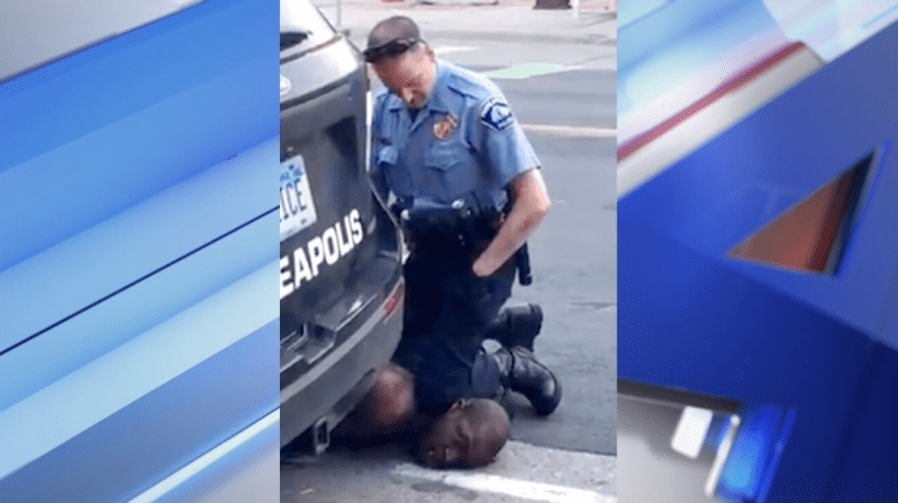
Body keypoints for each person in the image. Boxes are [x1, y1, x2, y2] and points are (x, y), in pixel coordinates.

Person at [336, 15, 561, 468]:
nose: (408, 97)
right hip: (426, 250)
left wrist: (483, 268)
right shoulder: (390, 108)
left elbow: (534, 203)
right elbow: (377, 188)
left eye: (414, 85)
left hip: (480, 251)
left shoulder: (476, 103)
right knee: (398, 349)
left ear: (429, 54)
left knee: (438, 387)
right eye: (394, 88)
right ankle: (496, 326)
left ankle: (509, 364)